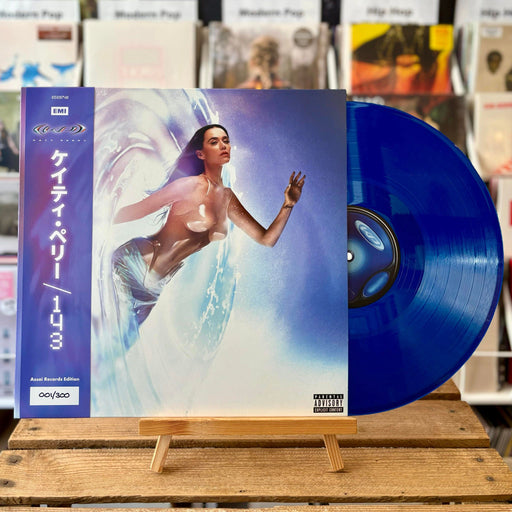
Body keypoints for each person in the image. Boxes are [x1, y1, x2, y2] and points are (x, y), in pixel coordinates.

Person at [112, 123, 305, 340]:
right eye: (214, 142)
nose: (223, 146)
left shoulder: (227, 198)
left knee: (122, 343)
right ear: (201, 154)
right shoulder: (189, 185)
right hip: (135, 261)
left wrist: (288, 204)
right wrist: (94, 219)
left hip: (154, 287)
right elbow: (137, 210)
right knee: (107, 336)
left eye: (226, 141)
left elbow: (266, 239)